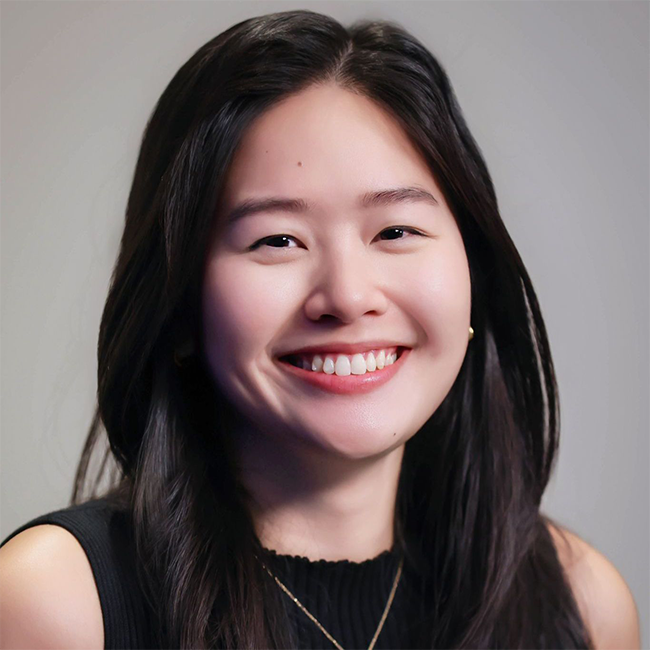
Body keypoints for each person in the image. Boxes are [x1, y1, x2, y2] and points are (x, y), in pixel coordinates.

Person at [0, 9, 640, 650]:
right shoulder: (56, 605)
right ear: (179, 303)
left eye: (395, 232)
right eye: (277, 240)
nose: (347, 296)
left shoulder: (582, 606)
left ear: (474, 271)